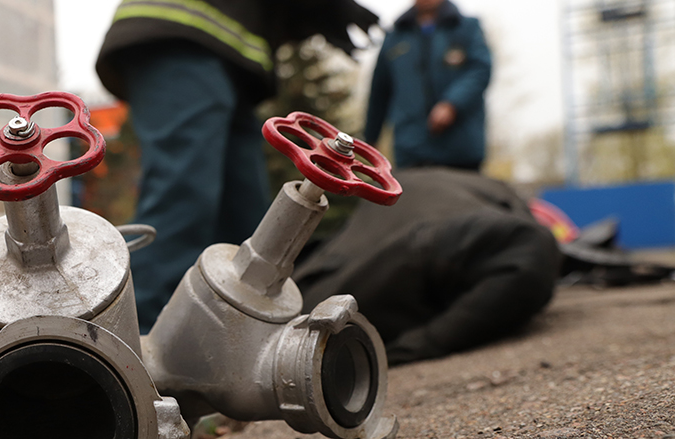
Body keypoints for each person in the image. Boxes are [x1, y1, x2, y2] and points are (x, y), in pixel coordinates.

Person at [95, 0, 380, 332]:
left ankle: (232, 343)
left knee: (247, 228)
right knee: (183, 200)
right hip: (182, 28)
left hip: (229, 60)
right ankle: (129, 341)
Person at [293, 168, 561, 365]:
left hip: (314, 285)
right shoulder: (501, 219)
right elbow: (529, 252)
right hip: (323, 311)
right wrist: (412, 348)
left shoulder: (438, 180)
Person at [364, 0, 492, 171]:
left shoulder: (467, 28)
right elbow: (379, 91)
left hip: (461, 153)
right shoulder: (395, 36)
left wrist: (451, 104)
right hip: (411, 152)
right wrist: (370, 139)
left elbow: (480, 70)